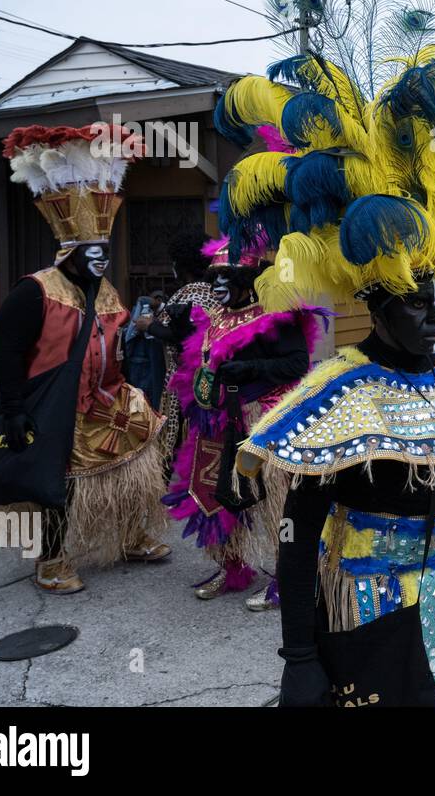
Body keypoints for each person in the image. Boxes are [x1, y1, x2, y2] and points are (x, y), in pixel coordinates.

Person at [214, 0, 435, 706]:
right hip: (368, 607)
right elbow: (300, 531)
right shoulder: (338, 394)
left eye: (432, 299)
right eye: (408, 305)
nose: (430, 316)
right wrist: (298, 652)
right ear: (374, 304)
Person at [0, 123, 169, 594]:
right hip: (56, 406)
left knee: (136, 465)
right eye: (94, 252)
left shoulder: (105, 290)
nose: (102, 260)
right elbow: (6, 352)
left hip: (108, 401)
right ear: (69, 251)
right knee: (61, 484)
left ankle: (132, 536)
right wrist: (12, 409)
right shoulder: (34, 292)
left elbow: (116, 339)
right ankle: (51, 559)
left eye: (106, 252)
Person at [160, 238, 325, 608]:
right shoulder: (213, 317)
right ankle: (230, 567)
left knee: (275, 506)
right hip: (216, 421)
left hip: (261, 422)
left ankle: (288, 577)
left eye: (226, 277)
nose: (217, 286)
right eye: (214, 277)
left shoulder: (277, 313)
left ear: (249, 278)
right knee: (213, 496)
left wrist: (250, 368)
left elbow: (297, 365)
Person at [140, 231, 220, 484]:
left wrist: (148, 326)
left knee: (176, 434)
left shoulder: (190, 293)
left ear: (182, 265)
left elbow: (180, 334)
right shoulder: (212, 291)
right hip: (210, 374)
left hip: (186, 378)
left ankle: (166, 483)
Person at [123, 291, 166, 409]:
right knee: (140, 407)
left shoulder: (162, 324)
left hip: (144, 366)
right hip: (140, 365)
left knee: (140, 408)